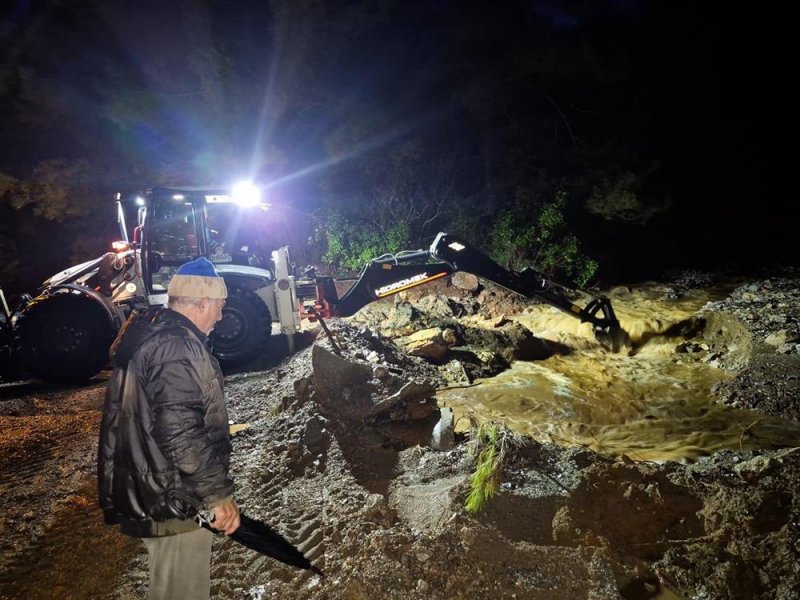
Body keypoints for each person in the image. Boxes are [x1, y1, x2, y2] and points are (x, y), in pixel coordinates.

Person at [98, 257, 241, 600]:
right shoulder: (175, 346)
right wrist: (217, 495)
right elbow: (181, 430)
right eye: (220, 306)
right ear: (203, 302)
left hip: (157, 486)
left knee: (169, 588)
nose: (220, 317)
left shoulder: (158, 335)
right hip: (173, 493)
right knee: (182, 592)